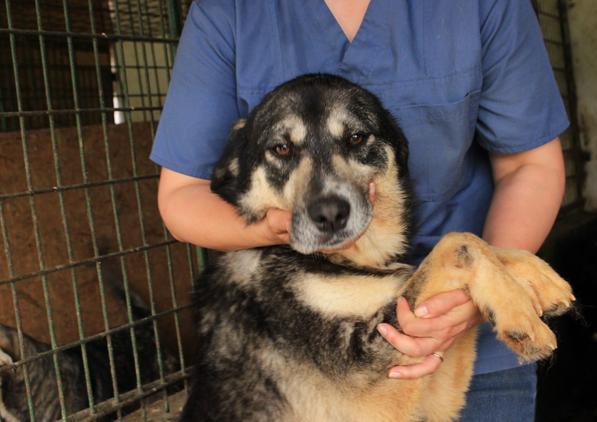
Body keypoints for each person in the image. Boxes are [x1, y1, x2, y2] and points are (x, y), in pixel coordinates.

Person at [150, 0, 568, 420]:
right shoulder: (229, 11)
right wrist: (277, 228)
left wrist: (488, 280)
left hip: (483, 334)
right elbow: (182, 194)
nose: (326, 196)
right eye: (283, 149)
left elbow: (529, 165)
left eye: (354, 140)